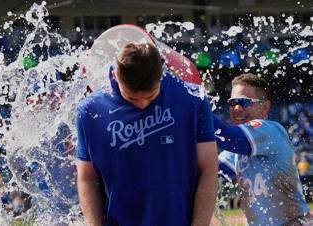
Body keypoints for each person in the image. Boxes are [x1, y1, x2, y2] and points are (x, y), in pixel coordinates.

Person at [76, 43, 218, 226]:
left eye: (151, 96)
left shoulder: (193, 98)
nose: (142, 104)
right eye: (132, 98)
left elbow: (208, 169)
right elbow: (87, 178)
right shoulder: (90, 110)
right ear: (116, 75)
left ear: (161, 75)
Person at [213, 74, 312, 225]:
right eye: (233, 103)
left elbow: (227, 136)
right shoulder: (235, 152)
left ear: (265, 107)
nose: (237, 108)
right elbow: (210, 170)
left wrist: (195, 106)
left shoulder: (272, 130)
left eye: (244, 102)